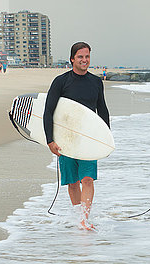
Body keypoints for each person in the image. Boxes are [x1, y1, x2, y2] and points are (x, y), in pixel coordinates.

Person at [43, 42, 110, 230]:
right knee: (72, 182)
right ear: (72, 59)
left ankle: (84, 219)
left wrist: (106, 138)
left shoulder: (96, 82)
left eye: (87, 56)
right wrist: (50, 140)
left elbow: (103, 111)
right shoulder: (61, 81)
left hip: (88, 138)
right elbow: (48, 111)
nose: (84, 60)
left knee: (87, 179)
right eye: (80, 57)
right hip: (65, 138)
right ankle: (78, 216)